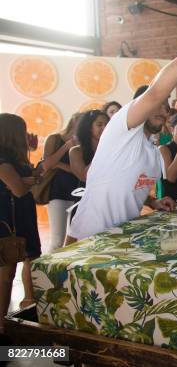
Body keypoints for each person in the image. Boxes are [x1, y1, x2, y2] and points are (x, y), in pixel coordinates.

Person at [66, 30, 177, 242]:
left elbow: (133, 188)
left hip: (119, 239)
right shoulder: (122, 130)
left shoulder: (152, 149)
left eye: (166, 107)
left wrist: (152, 202)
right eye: (158, 105)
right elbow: (155, 92)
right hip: (87, 238)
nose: (163, 110)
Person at [0, 114, 42, 333]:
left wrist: (28, 178)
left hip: (21, 218)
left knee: (12, 272)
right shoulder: (2, 159)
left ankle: (4, 322)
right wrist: (27, 182)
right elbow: (18, 188)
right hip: (8, 223)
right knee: (6, 276)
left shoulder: (14, 158)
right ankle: (1, 325)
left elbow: (26, 180)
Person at [42, 113, 81, 251]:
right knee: (57, 240)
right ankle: (49, 271)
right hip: (58, 193)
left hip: (79, 193)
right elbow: (46, 165)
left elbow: (82, 171)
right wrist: (66, 146)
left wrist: (59, 165)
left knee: (76, 239)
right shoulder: (55, 139)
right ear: (73, 122)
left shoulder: (86, 144)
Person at [69, 110, 109, 184]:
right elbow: (85, 177)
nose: (104, 128)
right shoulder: (76, 151)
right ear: (89, 127)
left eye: (107, 125)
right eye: (99, 125)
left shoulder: (112, 148)